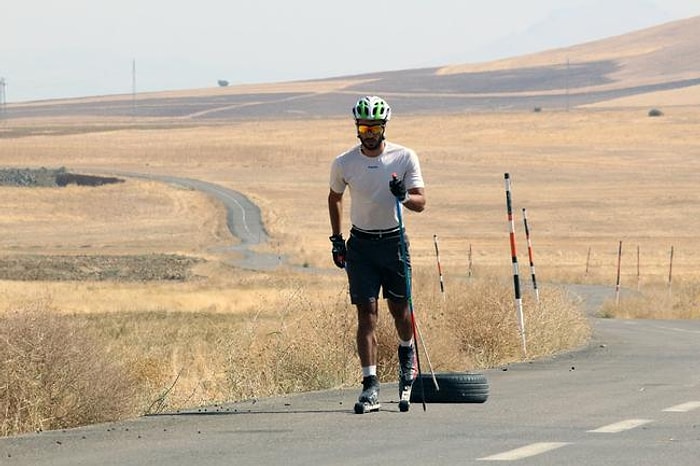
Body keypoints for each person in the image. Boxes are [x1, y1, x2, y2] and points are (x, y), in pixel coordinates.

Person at [327, 95, 426, 411]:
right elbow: (334, 197)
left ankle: (406, 358)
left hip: (394, 243)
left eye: (375, 126)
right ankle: (370, 387)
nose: (369, 132)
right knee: (366, 315)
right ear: (357, 127)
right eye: (364, 125)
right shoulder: (345, 162)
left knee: (401, 313)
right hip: (361, 246)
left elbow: (421, 202)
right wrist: (336, 239)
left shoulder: (404, 157)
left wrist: (404, 197)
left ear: (385, 127)